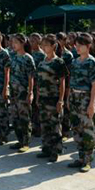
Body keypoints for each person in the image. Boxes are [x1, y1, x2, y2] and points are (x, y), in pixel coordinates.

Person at [67, 33, 95, 173]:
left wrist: (92, 103)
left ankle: (87, 160)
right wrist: (68, 98)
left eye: (80, 45)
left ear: (88, 46)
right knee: (76, 129)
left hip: (85, 98)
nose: (77, 48)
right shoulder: (75, 62)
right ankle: (80, 157)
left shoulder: (92, 62)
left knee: (87, 130)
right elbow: (71, 81)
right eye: (76, 45)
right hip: (74, 97)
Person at [36, 34, 67, 162]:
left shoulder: (58, 62)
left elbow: (63, 82)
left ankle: (55, 150)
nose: (43, 47)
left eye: (46, 45)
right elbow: (39, 81)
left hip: (53, 99)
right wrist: (38, 97)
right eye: (42, 45)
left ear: (53, 46)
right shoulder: (42, 62)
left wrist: (61, 100)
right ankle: (46, 148)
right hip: (43, 98)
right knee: (45, 125)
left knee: (55, 126)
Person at [5, 33, 35, 152]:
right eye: (12, 42)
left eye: (16, 42)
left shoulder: (28, 58)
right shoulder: (12, 56)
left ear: (22, 43)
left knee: (24, 118)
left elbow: (31, 77)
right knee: (15, 117)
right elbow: (7, 71)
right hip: (13, 92)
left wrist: (30, 92)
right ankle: (19, 140)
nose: (13, 45)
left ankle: (26, 142)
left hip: (23, 92)